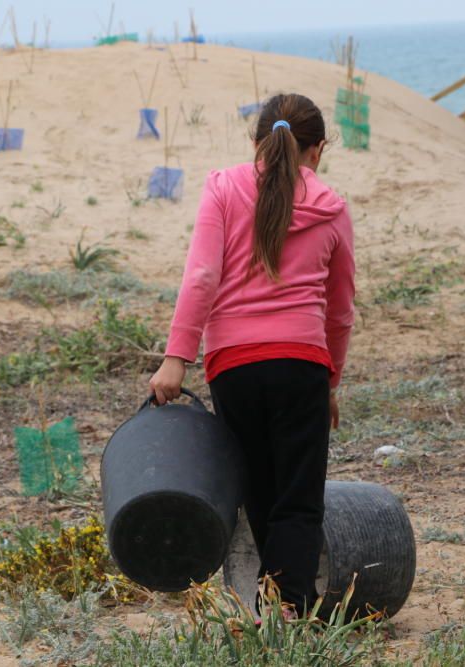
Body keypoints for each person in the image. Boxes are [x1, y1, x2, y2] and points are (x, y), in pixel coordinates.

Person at [149, 93, 355, 618]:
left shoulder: (222, 188)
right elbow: (340, 311)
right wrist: (330, 382)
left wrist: (177, 356)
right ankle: (290, 608)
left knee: (259, 490)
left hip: (233, 366)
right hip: (302, 363)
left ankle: (275, 604)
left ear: (255, 141)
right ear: (319, 149)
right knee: (299, 497)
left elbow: (201, 277)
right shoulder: (331, 206)